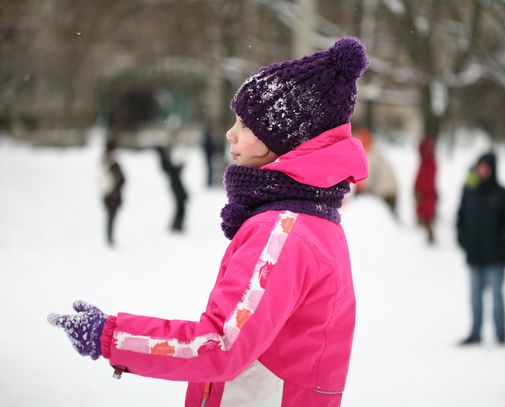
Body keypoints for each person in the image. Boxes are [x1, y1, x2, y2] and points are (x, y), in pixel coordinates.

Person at [48, 37, 369, 406]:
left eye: (245, 126)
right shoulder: (312, 220)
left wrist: (111, 336)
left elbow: (220, 345)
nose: (231, 133)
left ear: (282, 140)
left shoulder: (283, 232)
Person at [457, 152, 505, 346]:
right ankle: (475, 333)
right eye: (480, 166)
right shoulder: (469, 192)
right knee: (475, 297)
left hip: (496, 257)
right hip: (475, 255)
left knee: (497, 296)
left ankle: (501, 334)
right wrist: (464, 241)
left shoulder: (503, 195)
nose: (482, 170)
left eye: (486, 167)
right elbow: (460, 219)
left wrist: (503, 241)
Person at [354, 128, 398, 217]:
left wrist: (359, 189)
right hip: (391, 190)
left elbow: (367, 176)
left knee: (383, 221)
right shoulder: (375, 153)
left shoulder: (370, 155)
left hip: (385, 192)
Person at [98, 139, 125, 246]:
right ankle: (109, 239)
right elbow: (107, 180)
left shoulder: (108, 162)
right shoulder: (109, 163)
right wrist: (112, 191)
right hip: (111, 195)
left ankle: (110, 238)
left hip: (112, 195)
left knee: (111, 217)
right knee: (110, 217)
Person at [155, 145, 189, 232]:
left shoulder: (164, 160)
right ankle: (177, 225)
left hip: (176, 185)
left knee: (180, 205)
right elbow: (173, 172)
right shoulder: (164, 161)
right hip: (175, 185)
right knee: (180, 205)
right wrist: (181, 166)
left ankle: (177, 225)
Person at [414, 137, 437, 244]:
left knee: (427, 217)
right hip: (422, 194)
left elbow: (429, 180)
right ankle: (428, 237)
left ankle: (431, 238)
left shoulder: (431, 163)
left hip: (426, 195)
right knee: (424, 216)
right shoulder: (424, 161)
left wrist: (421, 191)